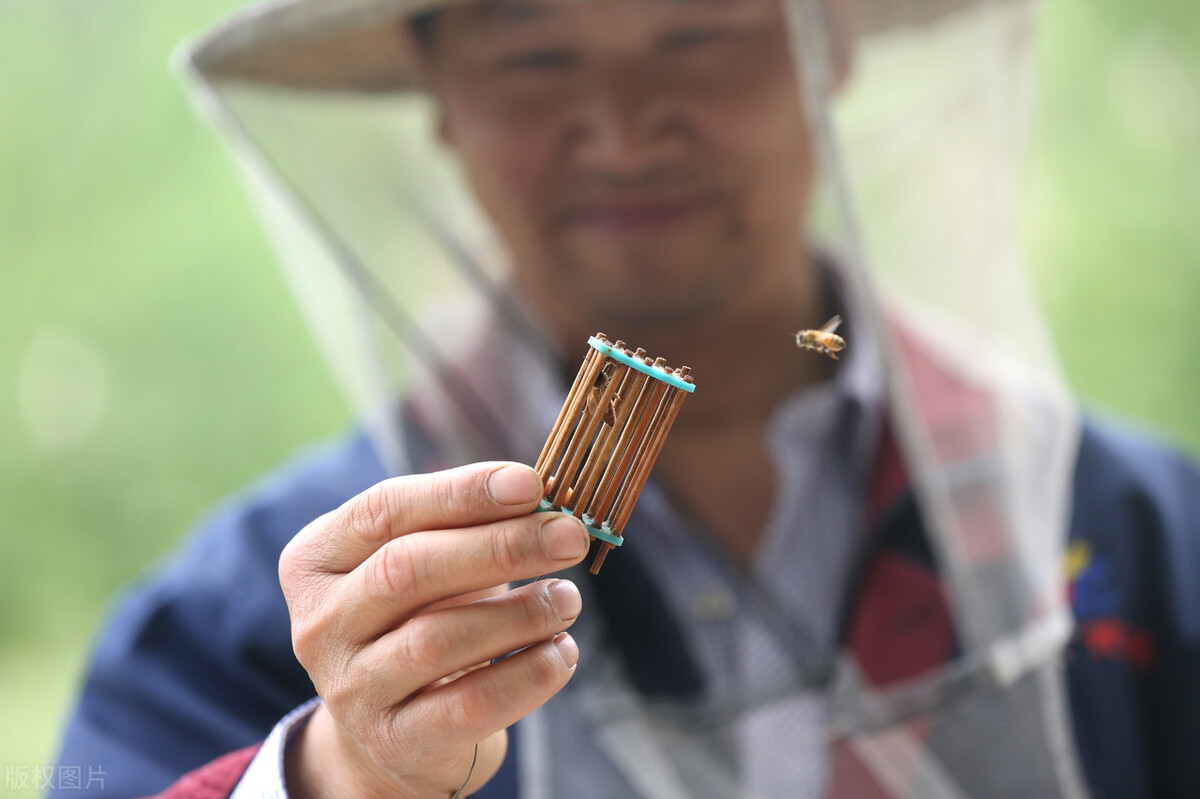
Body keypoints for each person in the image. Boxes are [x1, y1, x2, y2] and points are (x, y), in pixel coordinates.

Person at [52, 0, 1200, 796]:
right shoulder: (258, 617)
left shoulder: (1150, 537)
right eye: (535, 53)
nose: (623, 124)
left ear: (825, 47)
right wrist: (347, 772)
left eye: (699, 30)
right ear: (440, 91)